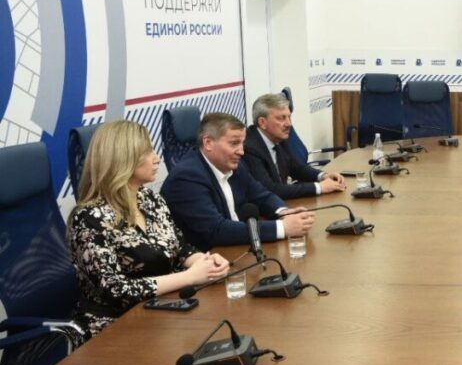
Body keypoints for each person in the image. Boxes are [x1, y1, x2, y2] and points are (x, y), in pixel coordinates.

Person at [66, 120, 230, 336]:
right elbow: (116, 290)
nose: (157, 158)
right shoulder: (88, 218)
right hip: (113, 327)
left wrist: (205, 262)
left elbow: (179, 247)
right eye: (148, 152)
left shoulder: (150, 198)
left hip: (161, 308)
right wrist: (191, 277)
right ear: (124, 160)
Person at [162, 112, 316, 250]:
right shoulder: (186, 178)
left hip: (238, 247)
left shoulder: (234, 165)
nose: (242, 151)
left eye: (242, 143)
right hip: (210, 258)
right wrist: (282, 228)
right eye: (234, 143)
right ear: (208, 143)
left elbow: (261, 195)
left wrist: (283, 212)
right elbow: (216, 230)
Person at [243, 93, 346, 200]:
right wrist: (319, 187)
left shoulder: (278, 138)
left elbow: (296, 168)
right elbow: (270, 189)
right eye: (281, 118)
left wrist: (323, 176)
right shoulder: (250, 148)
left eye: (289, 117)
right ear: (262, 122)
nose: (289, 124)